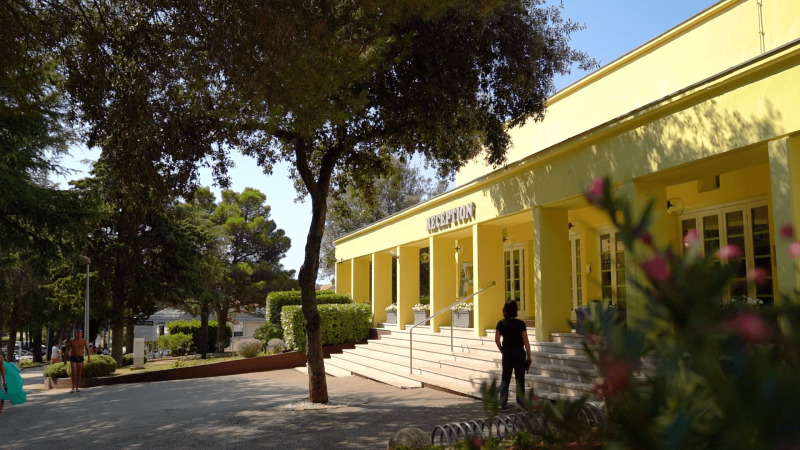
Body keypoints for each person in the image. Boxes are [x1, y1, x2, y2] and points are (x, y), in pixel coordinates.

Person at [495, 300, 532, 410]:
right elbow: (526, 341)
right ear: (516, 310)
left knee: (505, 377)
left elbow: (497, 340)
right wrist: (529, 355)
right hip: (519, 352)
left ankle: (503, 403)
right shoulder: (521, 324)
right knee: (520, 378)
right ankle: (521, 403)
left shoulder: (501, 323)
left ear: (505, 310)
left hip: (507, 352)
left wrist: (502, 350)